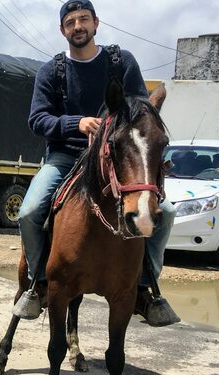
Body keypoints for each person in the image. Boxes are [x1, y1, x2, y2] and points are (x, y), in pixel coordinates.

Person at [21, 0, 178, 326]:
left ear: (95, 23)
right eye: (70, 22)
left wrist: (108, 133)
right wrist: (75, 124)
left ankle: (146, 287)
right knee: (30, 210)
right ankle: (37, 284)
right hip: (66, 155)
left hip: (118, 156)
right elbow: (37, 119)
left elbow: (139, 111)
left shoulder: (122, 62)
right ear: (63, 30)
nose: (77, 26)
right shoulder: (52, 71)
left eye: (83, 19)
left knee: (168, 212)